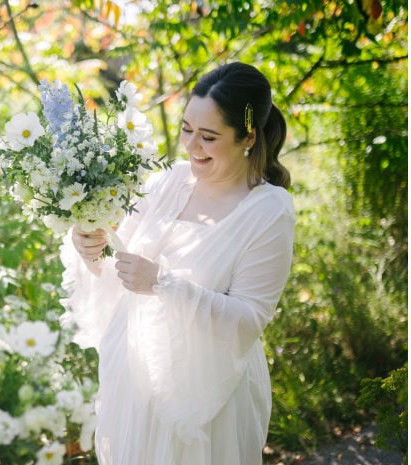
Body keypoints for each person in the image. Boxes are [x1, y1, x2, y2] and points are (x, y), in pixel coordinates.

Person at [62, 62, 296, 464]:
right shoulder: (168, 181)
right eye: (187, 129)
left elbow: (250, 317)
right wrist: (92, 246)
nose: (191, 146)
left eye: (208, 137)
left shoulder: (269, 209)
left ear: (248, 137)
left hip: (208, 396)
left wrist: (163, 284)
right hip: (134, 378)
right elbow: (118, 267)